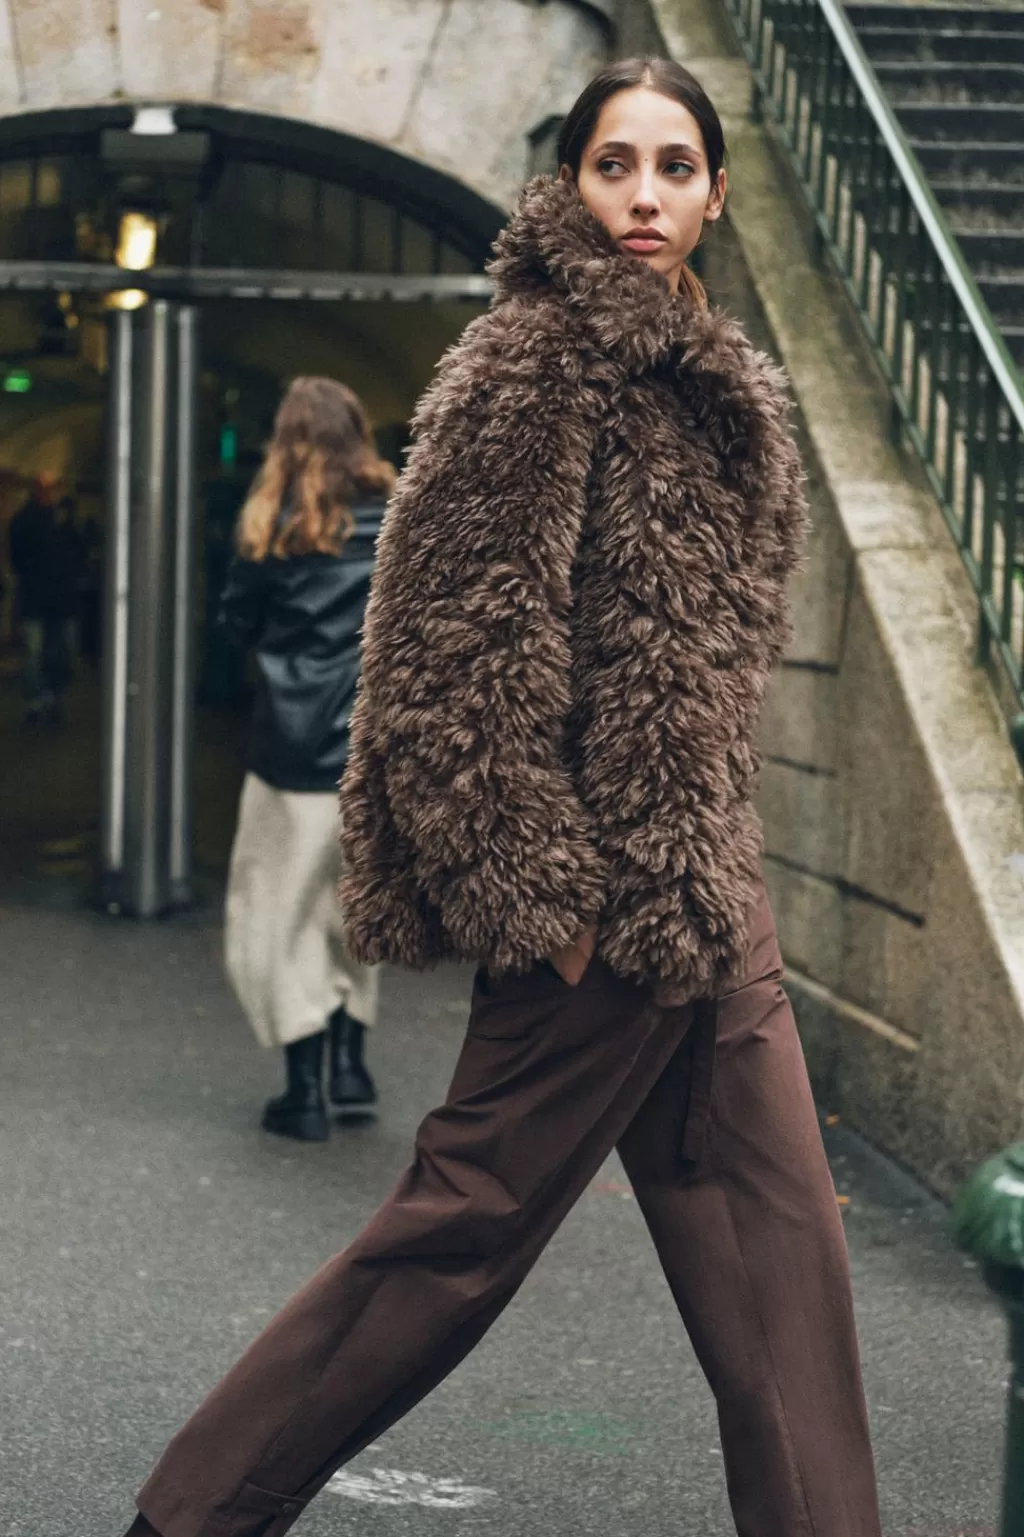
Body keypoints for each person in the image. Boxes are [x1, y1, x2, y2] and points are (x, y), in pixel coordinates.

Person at [123, 59, 883, 1537]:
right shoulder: (529, 366)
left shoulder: (719, 384)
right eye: (615, 165)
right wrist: (549, 904)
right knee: (450, 1245)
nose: (645, 197)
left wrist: (704, 863)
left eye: (674, 167)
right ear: (570, 184)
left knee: (787, 1272)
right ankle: (189, 1517)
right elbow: (445, 667)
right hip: (588, 917)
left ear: (718, 193)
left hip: (712, 903)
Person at [217, 377, 395, 1142]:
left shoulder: (273, 525)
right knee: (352, 910)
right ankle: (353, 1065)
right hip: (372, 753)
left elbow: (236, 621)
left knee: (277, 916)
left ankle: (304, 1092)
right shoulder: (398, 516)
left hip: (291, 759)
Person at [8, 472, 80, 722]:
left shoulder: (56, 521)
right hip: (43, 599)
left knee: (54, 652)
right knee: (38, 652)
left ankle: (49, 696)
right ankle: (39, 699)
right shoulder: (31, 522)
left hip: (53, 599)